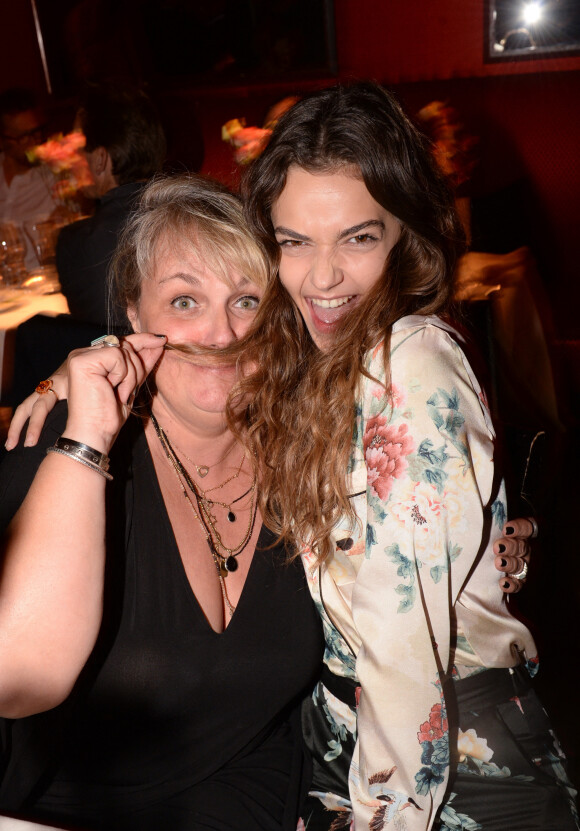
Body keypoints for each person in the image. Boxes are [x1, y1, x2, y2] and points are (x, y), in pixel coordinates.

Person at [231, 82, 577, 830]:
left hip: (446, 751)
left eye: (357, 237)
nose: (321, 279)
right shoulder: (314, 358)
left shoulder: (408, 364)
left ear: (404, 235)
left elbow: (399, 646)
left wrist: (388, 813)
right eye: (294, 241)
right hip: (353, 731)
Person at [0, 174, 324, 830]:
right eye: (184, 300)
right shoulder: (65, 446)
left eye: (247, 299)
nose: (220, 331)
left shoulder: (309, 450)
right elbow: (17, 680)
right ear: (135, 314)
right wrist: (86, 437)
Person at [0, 88, 57, 271]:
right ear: (3, 140)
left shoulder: (54, 173)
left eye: (36, 132)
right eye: (23, 137)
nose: (33, 142)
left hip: (42, 284)